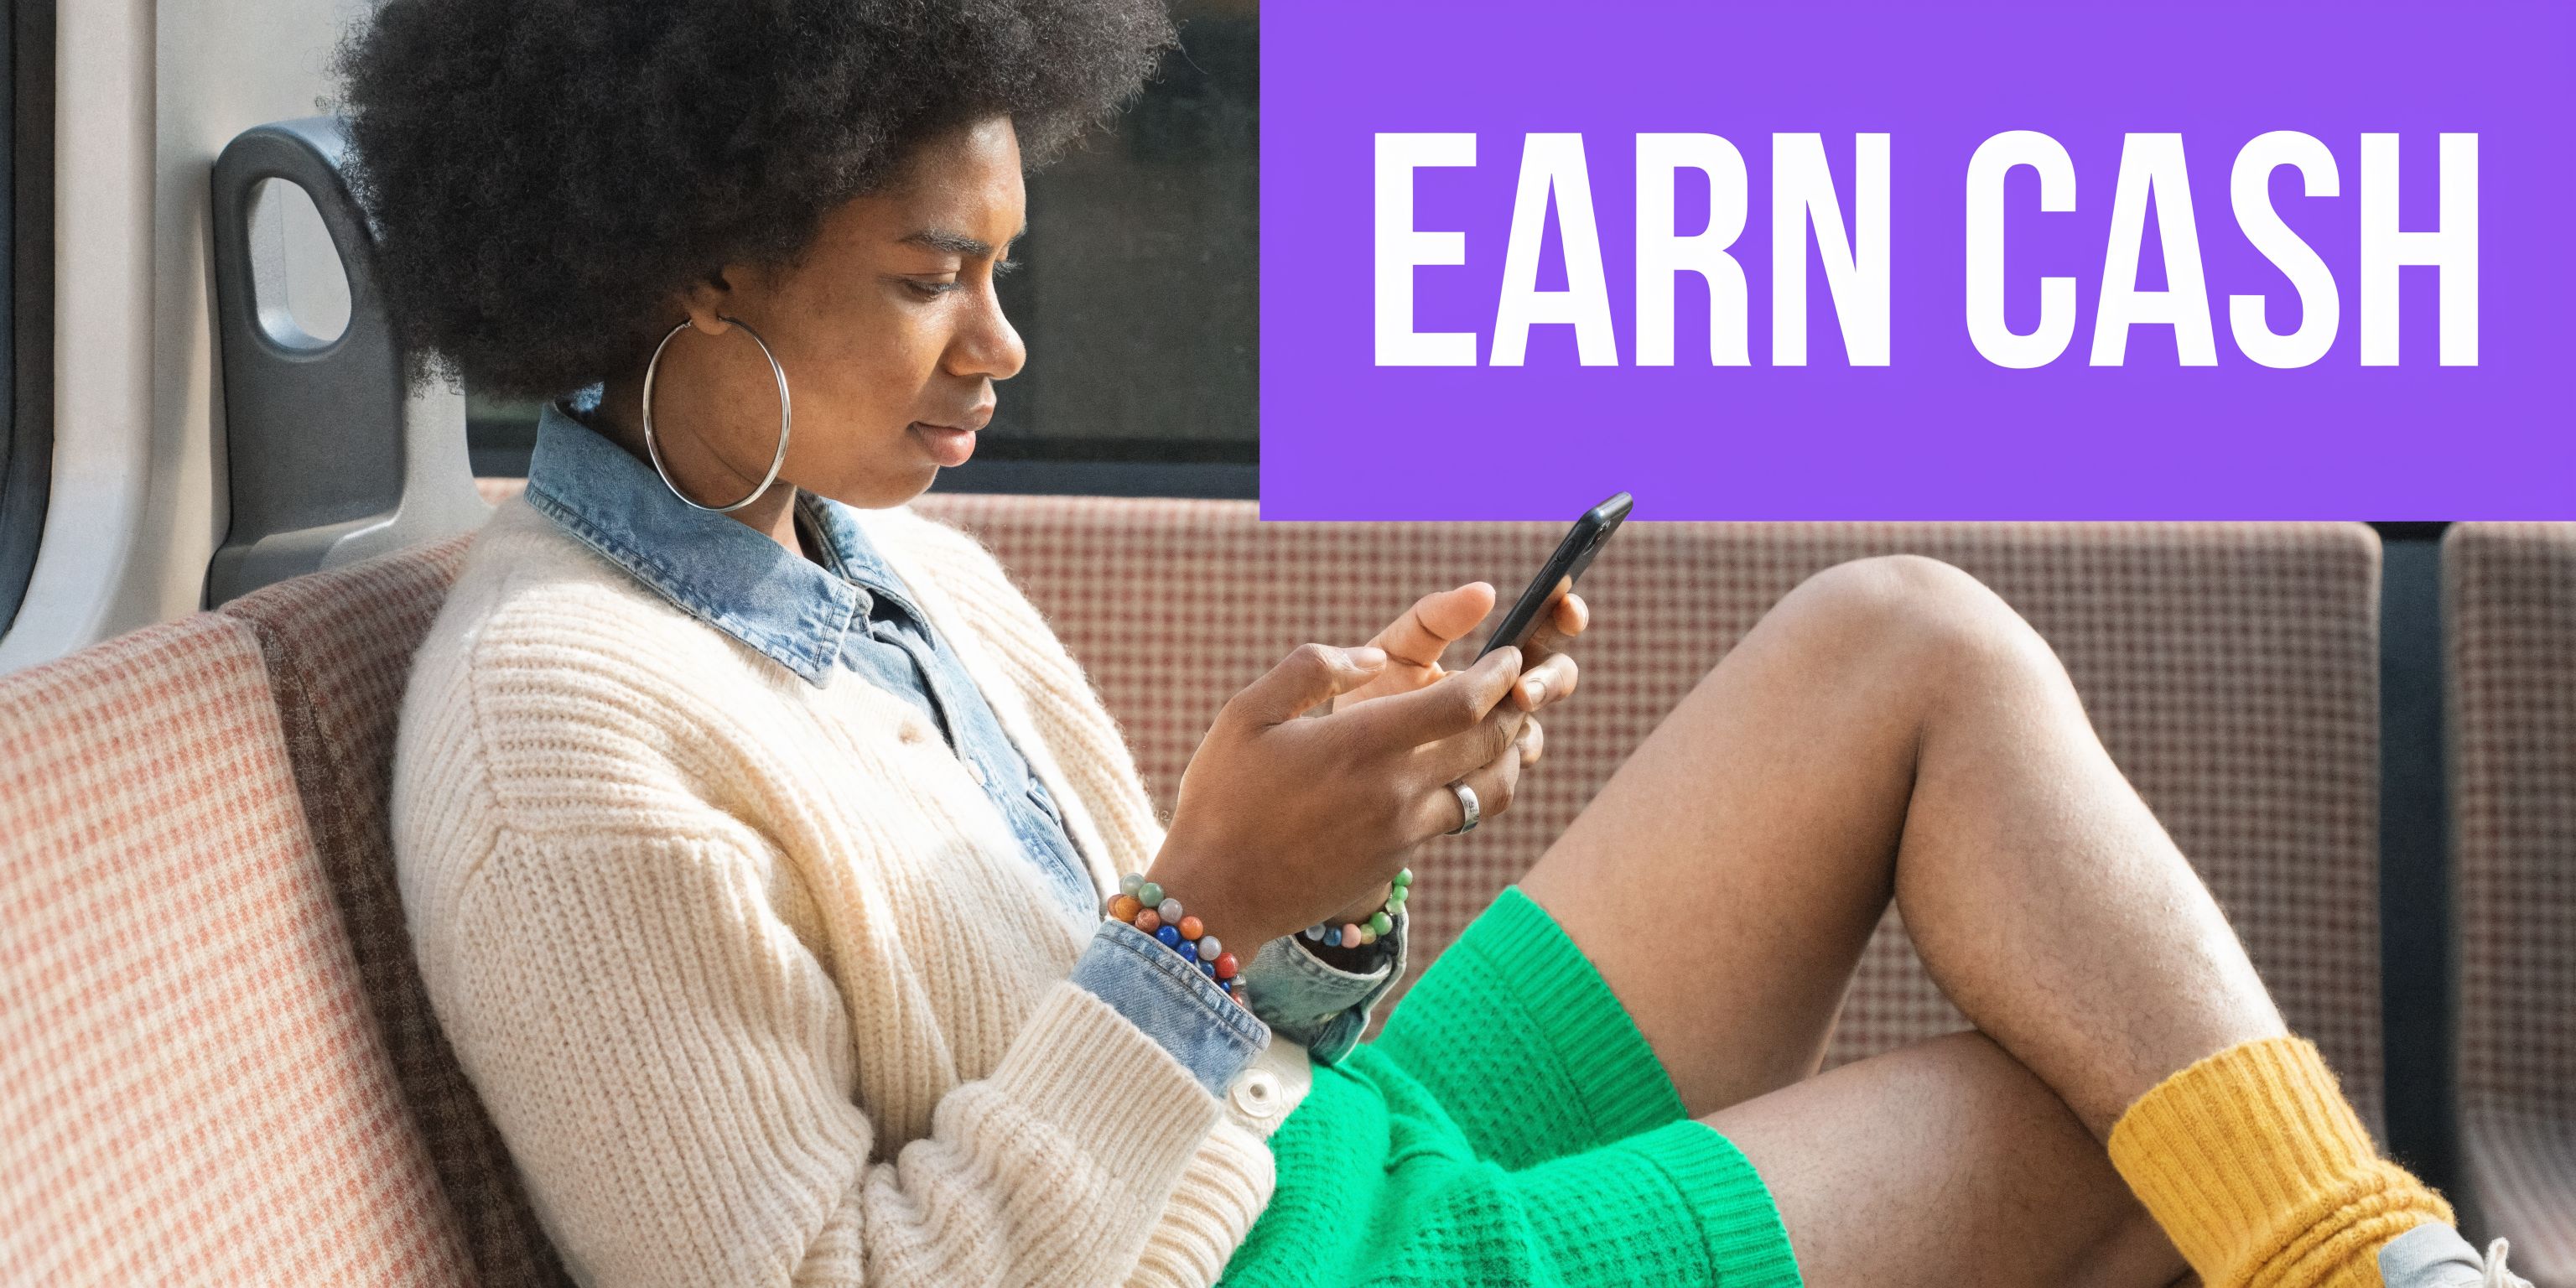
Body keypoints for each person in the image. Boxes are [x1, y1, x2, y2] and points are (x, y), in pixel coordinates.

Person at [347, 3, 2525, 1285]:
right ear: (692, 267)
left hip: (1315, 1154)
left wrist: (1331, 871)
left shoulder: (879, 563)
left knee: (1899, 644)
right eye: (937, 278)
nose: (1004, 350)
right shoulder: (561, 735)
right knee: (2084, 1132)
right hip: (1291, 1267)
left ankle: (2398, 1276)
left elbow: (1179, 1029)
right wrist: (1199, 922)